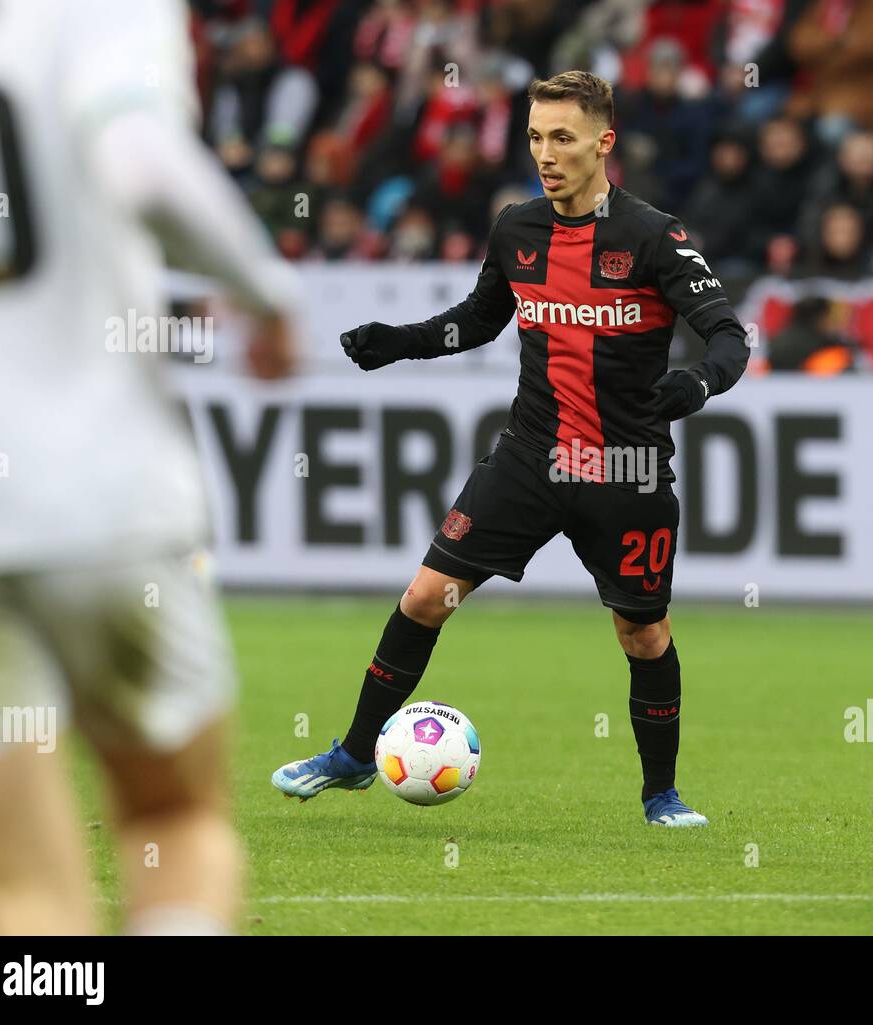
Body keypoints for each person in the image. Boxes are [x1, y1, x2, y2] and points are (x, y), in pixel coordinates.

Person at [272, 70, 750, 827]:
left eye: (562, 137)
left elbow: (731, 335)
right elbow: (478, 320)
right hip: (530, 457)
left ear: (604, 142)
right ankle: (358, 753)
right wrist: (399, 342)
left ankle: (661, 794)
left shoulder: (655, 236)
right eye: (535, 137)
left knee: (643, 632)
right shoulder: (516, 228)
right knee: (427, 596)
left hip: (623, 470)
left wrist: (699, 384)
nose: (546, 153)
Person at [0, 0, 298, 934]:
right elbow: (144, 166)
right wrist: (265, 293)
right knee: (174, 819)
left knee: (26, 892)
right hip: (101, 487)